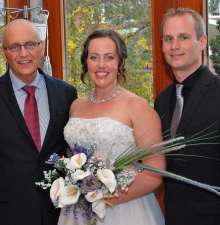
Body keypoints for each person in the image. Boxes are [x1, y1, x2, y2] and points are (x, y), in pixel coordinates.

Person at [0, 19, 77, 225]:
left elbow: (69, 155)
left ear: (42, 47)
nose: (24, 53)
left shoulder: (66, 94)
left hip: (57, 214)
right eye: (14, 47)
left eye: (30, 44)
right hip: (4, 216)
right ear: (4, 52)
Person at [58, 29, 165, 225]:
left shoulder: (137, 107)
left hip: (125, 210)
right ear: (86, 62)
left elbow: (154, 174)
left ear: (120, 62)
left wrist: (101, 199)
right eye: (94, 57)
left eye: (109, 57)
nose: (101, 65)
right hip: (78, 211)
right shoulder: (76, 106)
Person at [154, 8, 220, 225]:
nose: (174, 46)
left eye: (183, 37)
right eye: (168, 39)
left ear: (202, 42)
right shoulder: (162, 101)